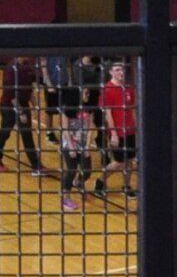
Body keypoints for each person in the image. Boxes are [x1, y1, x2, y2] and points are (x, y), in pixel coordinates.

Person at [0, 56, 45, 177]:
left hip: (23, 104)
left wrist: (36, 106)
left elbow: (29, 89)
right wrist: (20, 113)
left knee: (27, 135)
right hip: (9, 106)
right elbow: (11, 96)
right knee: (5, 133)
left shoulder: (27, 66)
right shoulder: (11, 70)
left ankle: (36, 166)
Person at [93, 63, 138, 200]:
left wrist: (136, 126)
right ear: (111, 72)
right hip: (118, 132)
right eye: (117, 70)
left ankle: (126, 186)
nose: (121, 72)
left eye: (122, 69)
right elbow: (108, 114)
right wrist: (113, 133)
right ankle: (100, 182)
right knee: (119, 162)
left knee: (130, 160)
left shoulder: (128, 88)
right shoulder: (108, 89)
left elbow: (132, 109)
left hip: (130, 130)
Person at [59, 89, 95, 211]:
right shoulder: (67, 110)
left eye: (88, 93)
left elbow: (90, 128)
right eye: (85, 93)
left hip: (83, 144)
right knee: (71, 170)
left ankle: (78, 182)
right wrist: (71, 147)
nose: (88, 95)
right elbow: (65, 129)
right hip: (69, 143)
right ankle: (66, 198)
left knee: (87, 170)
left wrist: (88, 146)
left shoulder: (88, 108)